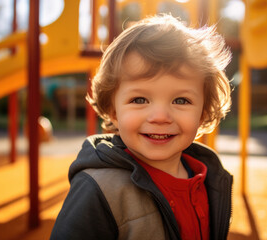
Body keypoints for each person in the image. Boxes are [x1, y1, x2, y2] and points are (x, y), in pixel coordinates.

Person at [50, 14, 233, 240]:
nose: (160, 117)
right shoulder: (98, 190)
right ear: (114, 112)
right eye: (139, 100)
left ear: (203, 112)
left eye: (181, 100)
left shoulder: (210, 176)